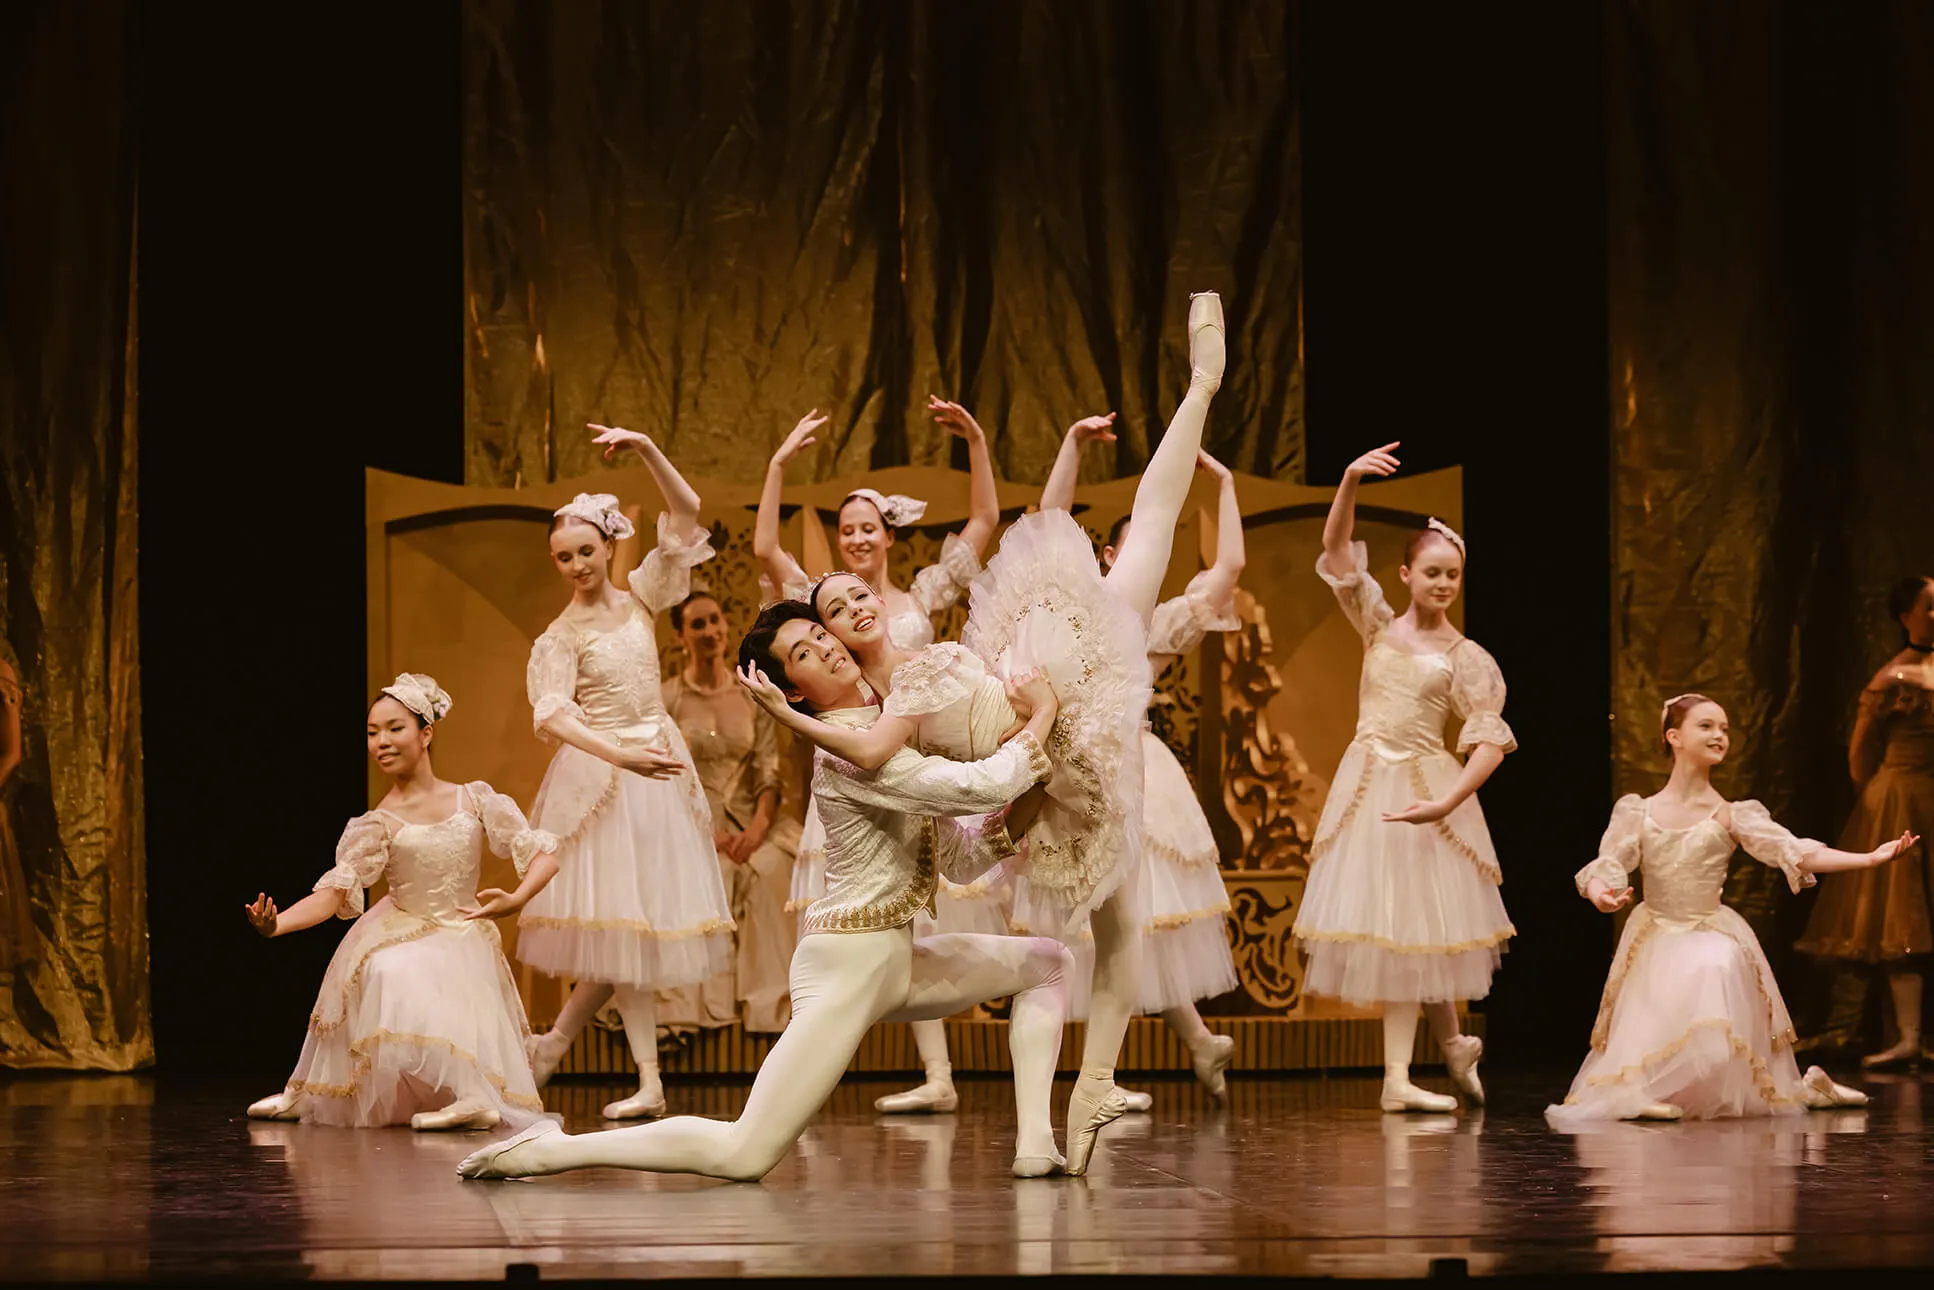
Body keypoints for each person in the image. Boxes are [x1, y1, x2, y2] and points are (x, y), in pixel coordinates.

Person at [742, 290, 1226, 1171]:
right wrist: (784, 711)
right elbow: (895, 766)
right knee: (1116, 924)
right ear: (831, 643)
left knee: (1143, 544)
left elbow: (997, 530)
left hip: (1040, 690)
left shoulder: (918, 629)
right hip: (1040, 746)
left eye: (854, 594)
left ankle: (1201, 387)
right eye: (835, 612)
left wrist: (1029, 711)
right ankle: (1088, 1091)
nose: (853, 602)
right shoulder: (888, 711)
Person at [457, 605, 1073, 1183]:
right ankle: (548, 1151)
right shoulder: (854, 754)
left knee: (1048, 964)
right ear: (794, 691)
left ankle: (1036, 1149)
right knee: (744, 1152)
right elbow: (976, 788)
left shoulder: (884, 731)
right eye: (804, 652)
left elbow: (962, 858)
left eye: (822, 636)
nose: (827, 648)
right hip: (849, 966)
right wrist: (1045, 719)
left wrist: (1047, 785)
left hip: (896, 962)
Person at [756, 397, 1007, 1113]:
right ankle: (900, 1070)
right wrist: (778, 464)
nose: (858, 538)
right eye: (847, 529)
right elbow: (766, 550)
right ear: (838, 539)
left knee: (932, 897)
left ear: (888, 536)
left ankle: (938, 1073)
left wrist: (978, 440)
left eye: (869, 528)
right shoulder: (822, 608)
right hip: (869, 761)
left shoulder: (920, 591)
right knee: (886, 904)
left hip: (923, 754)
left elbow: (984, 523)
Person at [1548, 694, 1914, 1122]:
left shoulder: (1733, 814)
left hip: (1709, 925)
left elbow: (1794, 851)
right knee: (1661, 970)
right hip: (1657, 926)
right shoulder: (1638, 811)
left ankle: (1722, 1086)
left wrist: (1868, 858)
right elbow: (1608, 863)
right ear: (1674, 736)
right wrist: (1601, 892)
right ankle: (1643, 1087)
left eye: (1724, 728)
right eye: (1706, 726)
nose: (1719, 735)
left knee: (1713, 964)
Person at [516, 426, 735, 1120]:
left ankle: (569, 1052)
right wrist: (621, 756)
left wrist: (643, 446)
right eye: (564, 557)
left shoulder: (643, 598)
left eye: (586, 551)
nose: (577, 566)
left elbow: (689, 510)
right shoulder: (560, 635)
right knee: (625, 931)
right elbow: (552, 714)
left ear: (609, 546)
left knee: (633, 936)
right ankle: (641, 1079)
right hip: (609, 780)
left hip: (659, 771)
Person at [1291, 442, 1515, 1114]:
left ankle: (1408, 1073)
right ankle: (1441, 1054)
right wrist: (1350, 479)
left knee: (1418, 927)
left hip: (1423, 787)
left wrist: (1445, 801)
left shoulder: (1466, 657)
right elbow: (1335, 552)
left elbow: (1488, 740)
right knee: (1404, 924)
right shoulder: (1378, 625)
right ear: (1407, 574)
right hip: (1368, 786)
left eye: (1453, 576)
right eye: (1433, 573)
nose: (1444, 585)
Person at [244, 675, 560, 1132]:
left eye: (394, 729)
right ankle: (314, 1091)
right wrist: (277, 927)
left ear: (425, 733)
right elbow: (334, 894)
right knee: (389, 969)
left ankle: (471, 1096)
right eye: (372, 732)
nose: (381, 742)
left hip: (462, 926)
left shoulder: (473, 799)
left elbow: (544, 856)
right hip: (403, 924)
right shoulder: (377, 823)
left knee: (457, 959)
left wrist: (515, 898)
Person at [1037, 430, 1247, 1097]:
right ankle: (1193, 1042)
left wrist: (1227, 489)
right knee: (1096, 920)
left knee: (1127, 919)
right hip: (1071, 766)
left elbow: (1228, 572)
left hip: (1132, 767)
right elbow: (1046, 526)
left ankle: (1118, 1069)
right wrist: (1070, 446)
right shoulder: (1067, 606)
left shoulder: (1153, 622)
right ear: (1107, 553)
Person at [1796, 574, 1934, 1067]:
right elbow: (1860, 752)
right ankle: (1909, 1037)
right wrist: (1880, 798)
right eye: (1930, 607)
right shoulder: (1892, 676)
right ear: (1906, 617)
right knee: (1904, 916)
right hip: (1903, 795)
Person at [659, 589, 800, 1034]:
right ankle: (695, 1009)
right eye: (697, 624)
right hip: (687, 828)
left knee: (772, 867)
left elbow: (769, 770)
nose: (709, 632)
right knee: (701, 874)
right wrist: (703, 833)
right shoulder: (668, 698)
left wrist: (758, 828)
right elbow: (663, 778)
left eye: (715, 620)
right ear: (681, 635)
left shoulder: (749, 692)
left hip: (750, 824)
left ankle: (768, 1009)